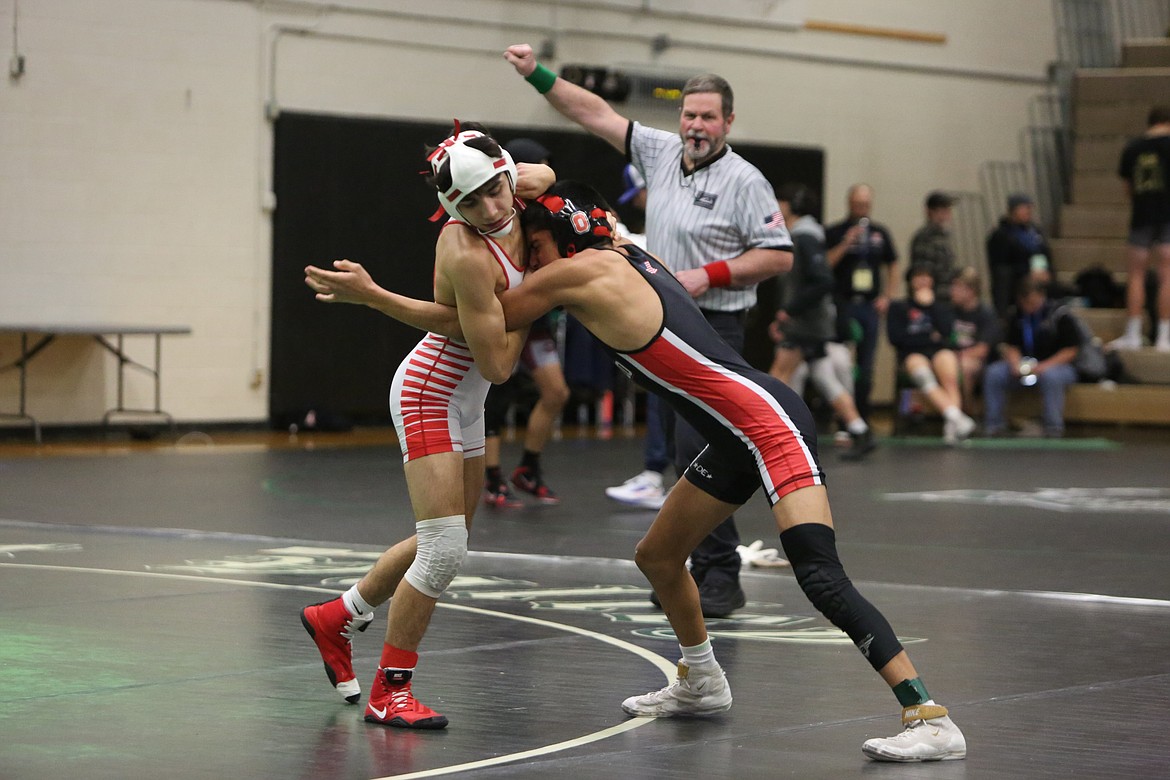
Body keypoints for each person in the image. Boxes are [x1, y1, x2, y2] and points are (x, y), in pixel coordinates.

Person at [319, 180, 967, 762]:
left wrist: (373, 296)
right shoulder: (628, 249)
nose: (527, 257)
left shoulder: (570, 276)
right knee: (658, 556)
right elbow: (544, 191)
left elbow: (484, 331)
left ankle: (927, 713)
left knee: (820, 575)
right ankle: (701, 680)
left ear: (559, 242)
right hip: (735, 431)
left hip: (768, 427)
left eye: (533, 245)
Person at [503, 43, 793, 618]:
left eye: (709, 116)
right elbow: (593, 112)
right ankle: (683, 570)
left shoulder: (745, 180)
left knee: (703, 448)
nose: (697, 126)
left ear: (728, 122)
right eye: (690, 115)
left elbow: (777, 256)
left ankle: (719, 576)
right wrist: (538, 74)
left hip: (716, 324)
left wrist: (704, 277)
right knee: (681, 452)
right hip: (657, 321)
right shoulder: (660, 151)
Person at [298, 123, 553, 729]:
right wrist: (548, 289)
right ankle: (392, 690)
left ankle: (337, 615)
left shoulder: (525, 183)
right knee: (443, 549)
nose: (492, 209)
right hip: (430, 392)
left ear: (507, 173)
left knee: (448, 538)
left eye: (496, 189)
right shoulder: (465, 252)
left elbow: (548, 178)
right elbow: (496, 359)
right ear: (450, 209)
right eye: (471, 203)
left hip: (466, 397)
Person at [481, 137, 570, 507]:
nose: (543, 177)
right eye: (535, 168)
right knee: (496, 394)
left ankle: (528, 468)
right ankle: (490, 475)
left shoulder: (543, 207)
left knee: (556, 392)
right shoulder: (494, 210)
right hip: (505, 311)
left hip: (534, 313)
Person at [768, 185, 874, 461]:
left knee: (778, 375)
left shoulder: (805, 237)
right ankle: (859, 429)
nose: (775, 206)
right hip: (808, 321)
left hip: (806, 323)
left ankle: (766, 435)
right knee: (824, 377)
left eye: (780, 200)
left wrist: (789, 311)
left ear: (791, 205)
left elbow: (823, 280)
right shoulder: (800, 234)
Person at [605, 163, 675, 509]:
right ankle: (656, 476)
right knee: (666, 396)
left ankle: (660, 477)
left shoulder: (671, 222)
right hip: (673, 320)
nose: (640, 202)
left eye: (641, 193)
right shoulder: (662, 224)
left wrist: (611, 230)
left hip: (684, 320)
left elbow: (644, 254)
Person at [824, 184, 899, 423]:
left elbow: (893, 264)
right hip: (842, 304)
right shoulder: (835, 231)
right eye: (857, 204)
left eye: (865, 205)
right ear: (849, 203)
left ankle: (862, 417)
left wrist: (887, 296)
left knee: (866, 366)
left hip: (870, 306)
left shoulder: (879, 233)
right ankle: (840, 416)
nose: (861, 209)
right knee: (839, 363)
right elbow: (825, 264)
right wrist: (847, 243)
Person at [886, 266, 976, 444]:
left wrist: (929, 306)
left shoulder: (940, 307)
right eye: (918, 277)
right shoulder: (898, 307)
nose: (923, 281)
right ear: (911, 281)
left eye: (926, 277)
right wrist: (927, 337)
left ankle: (951, 430)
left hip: (937, 351)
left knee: (949, 366)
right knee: (922, 373)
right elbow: (897, 338)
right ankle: (957, 418)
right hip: (912, 354)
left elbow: (947, 333)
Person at [982, 277, 1080, 438]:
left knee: (1051, 376)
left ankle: (1053, 428)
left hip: (1056, 366)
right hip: (1026, 365)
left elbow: (1071, 350)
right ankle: (994, 425)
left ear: (1042, 296)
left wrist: (1044, 366)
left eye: (1033, 303)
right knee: (994, 373)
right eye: (1025, 303)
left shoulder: (1060, 315)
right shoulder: (1017, 314)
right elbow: (1010, 345)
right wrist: (1015, 363)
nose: (1029, 307)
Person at [1110, 105, 1170, 351]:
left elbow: (1128, 189)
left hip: (1142, 215)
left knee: (1136, 275)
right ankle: (1164, 337)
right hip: (1169, 216)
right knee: (1167, 276)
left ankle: (1133, 333)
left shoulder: (1132, 148)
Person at [986, 193, 1053, 318]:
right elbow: (1001, 270)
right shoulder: (1000, 236)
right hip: (1016, 286)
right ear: (1013, 210)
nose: (1028, 211)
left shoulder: (1035, 232)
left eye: (1029, 208)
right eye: (1024, 208)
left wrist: (1042, 270)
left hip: (1038, 280)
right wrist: (1027, 272)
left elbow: (1041, 253)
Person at [949, 267, 999, 413]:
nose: (953, 290)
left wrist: (956, 357)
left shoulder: (986, 313)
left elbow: (982, 350)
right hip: (953, 357)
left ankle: (966, 414)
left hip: (979, 362)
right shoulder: (950, 311)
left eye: (957, 286)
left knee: (963, 367)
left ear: (970, 291)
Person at [908, 191, 958, 300]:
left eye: (948, 209)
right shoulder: (925, 237)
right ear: (930, 212)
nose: (947, 214)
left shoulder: (944, 236)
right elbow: (922, 272)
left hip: (947, 295)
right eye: (943, 209)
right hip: (934, 298)